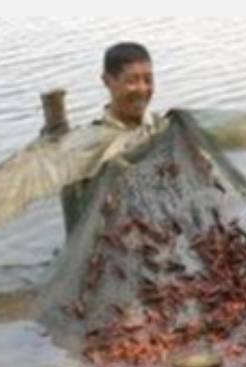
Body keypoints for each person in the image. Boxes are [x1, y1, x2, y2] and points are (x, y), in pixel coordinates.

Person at [61, 42, 167, 234]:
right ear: (107, 81)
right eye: (132, 81)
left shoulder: (164, 129)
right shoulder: (89, 146)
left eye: (148, 80)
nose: (142, 89)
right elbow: (81, 212)